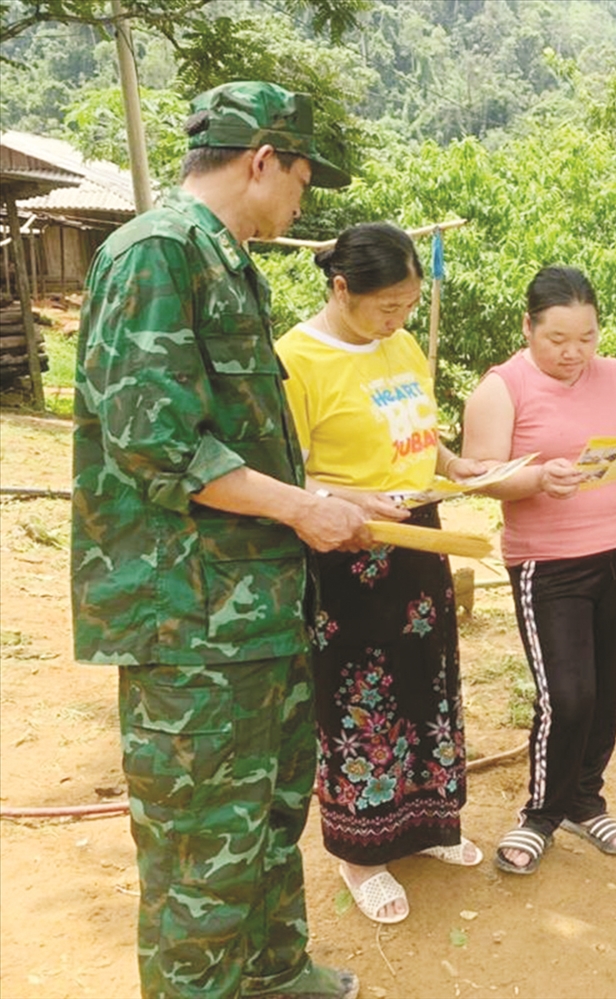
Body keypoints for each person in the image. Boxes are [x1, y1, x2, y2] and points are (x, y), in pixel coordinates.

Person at [71, 82, 368, 999]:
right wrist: (299, 508)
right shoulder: (157, 253)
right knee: (202, 839)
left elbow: (232, 434)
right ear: (263, 159)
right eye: (303, 180)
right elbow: (155, 441)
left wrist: (301, 494)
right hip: (188, 617)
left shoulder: (224, 257)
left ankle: (272, 972)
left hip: (251, 606)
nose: (302, 204)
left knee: (269, 811)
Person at [275, 222, 491, 924]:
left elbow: (418, 436)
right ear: (341, 288)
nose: (396, 320)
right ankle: (359, 850)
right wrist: (342, 498)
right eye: (384, 306)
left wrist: (456, 465)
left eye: (406, 305)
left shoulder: (398, 346)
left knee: (425, 682)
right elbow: (287, 473)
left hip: (417, 537)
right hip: (346, 551)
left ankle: (426, 824)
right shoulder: (296, 360)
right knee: (360, 698)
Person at [463, 266, 616, 874]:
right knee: (568, 693)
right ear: (527, 326)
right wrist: (537, 477)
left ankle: (586, 799)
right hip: (548, 560)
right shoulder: (501, 387)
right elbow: (479, 475)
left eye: (585, 337)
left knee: (607, 686)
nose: (573, 352)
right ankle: (541, 813)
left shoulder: (612, 374)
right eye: (557, 338)